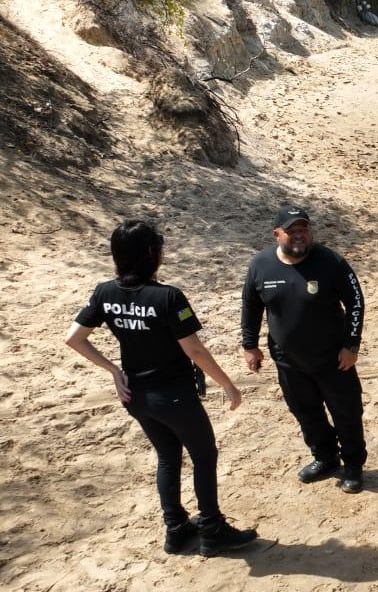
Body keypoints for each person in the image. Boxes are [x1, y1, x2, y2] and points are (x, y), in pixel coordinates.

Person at [65, 220, 257, 557]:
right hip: (175, 396)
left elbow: (74, 339)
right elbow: (194, 350)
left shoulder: (104, 292)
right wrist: (228, 385)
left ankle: (176, 529)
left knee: (168, 457)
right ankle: (212, 530)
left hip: (136, 396)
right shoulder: (167, 297)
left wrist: (113, 370)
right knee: (204, 455)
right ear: (152, 255)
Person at [241, 205, 367, 493]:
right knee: (305, 412)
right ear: (277, 234)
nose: (299, 235)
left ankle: (353, 465)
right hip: (288, 360)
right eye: (292, 231)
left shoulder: (331, 261)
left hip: (334, 359)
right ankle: (325, 458)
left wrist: (351, 345)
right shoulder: (260, 264)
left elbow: (356, 302)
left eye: (304, 229)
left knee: (347, 412)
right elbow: (251, 306)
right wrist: (250, 345)